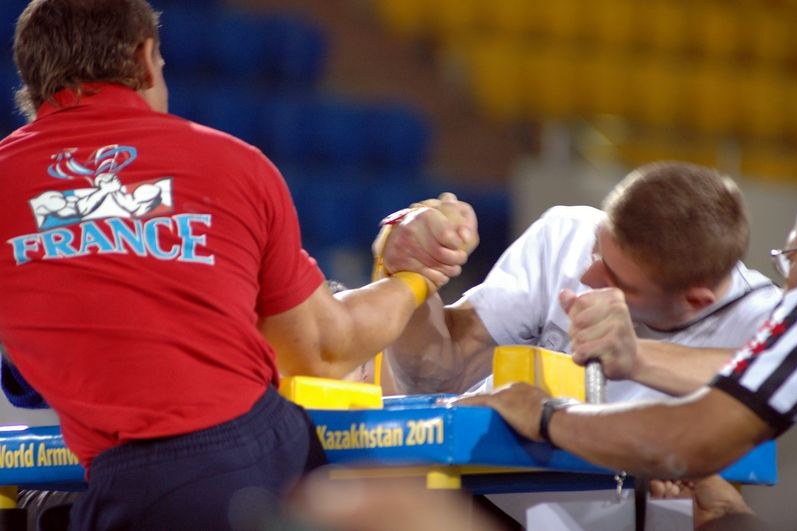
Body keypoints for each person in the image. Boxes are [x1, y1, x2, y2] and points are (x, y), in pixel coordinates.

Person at [0, 1, 477, 530]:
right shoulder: (232, 164)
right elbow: (324, 350)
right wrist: (412, 279)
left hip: (133, 482)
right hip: (242, 460)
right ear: (145, 57)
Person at [375, 161, 781, 527]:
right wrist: (414, 271)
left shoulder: (763, 319)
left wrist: (638, 358)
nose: (587, 276)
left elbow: (762, 375)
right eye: (596, 250)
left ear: (695, 300)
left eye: (618, 282)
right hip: (487, 506)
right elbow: (438, 375)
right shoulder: (565, 233)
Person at [452, 208, 797, 528]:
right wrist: (728, 517)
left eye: (792, 260)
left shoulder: (776, 315)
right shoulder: (563, 233)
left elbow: (689, 436)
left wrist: (546, 415)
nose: (790, 284)